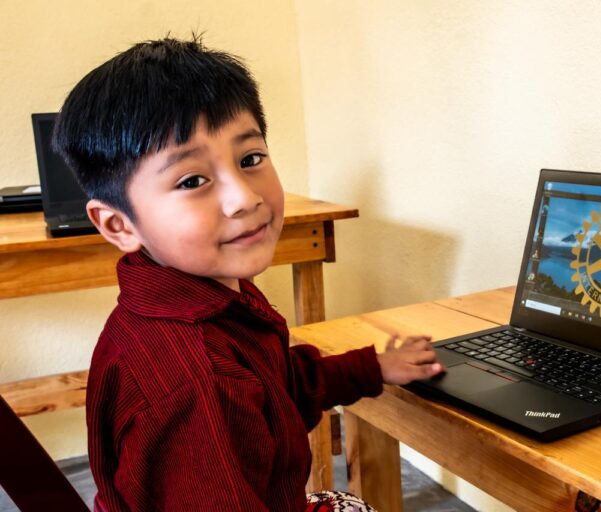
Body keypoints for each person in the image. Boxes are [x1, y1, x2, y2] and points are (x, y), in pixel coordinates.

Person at [53, 36, 445, 511]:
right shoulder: (200, 381)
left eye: (250, 159)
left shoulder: (203, 297)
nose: (244, 197)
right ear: (119, 224)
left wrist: (373, 368)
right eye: (192, 180)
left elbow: (276, 389)